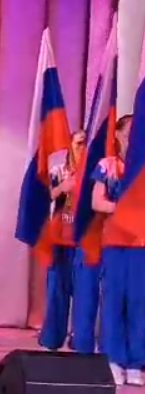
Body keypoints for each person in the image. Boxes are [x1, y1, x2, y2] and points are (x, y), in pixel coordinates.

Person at [92, 115, 142, 385]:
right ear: (118, 135)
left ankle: (136, 362)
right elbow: (97, 202)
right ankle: (113, 359)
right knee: (113, 300)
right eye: (128, 132)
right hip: (114, 241)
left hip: (141, 243)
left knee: (139, 302)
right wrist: (123, 210)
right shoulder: (107, 165)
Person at [41, 130, 99, 354]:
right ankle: (52, 339)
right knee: (57, 290)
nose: (81, 148)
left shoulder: (94, 172)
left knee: (84, 293)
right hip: (59, 239)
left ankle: (80, 340)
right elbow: (42, 197)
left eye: (85, 144)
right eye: (78, 143)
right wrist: (61, 188)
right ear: (70, 145)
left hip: (83, 241)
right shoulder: (59, 170)